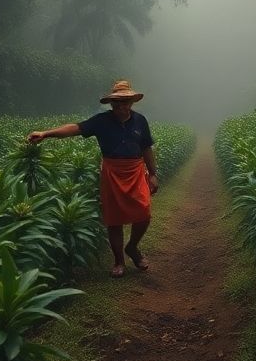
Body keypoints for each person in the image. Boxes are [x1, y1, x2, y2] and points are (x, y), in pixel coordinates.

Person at [27, 79, 159, 278]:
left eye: (125, 102)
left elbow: (146, 148)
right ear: (111, 103)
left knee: (144, 212)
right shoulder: (102, 121)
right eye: (117, 103)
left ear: (132, 102)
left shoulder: (140, 121)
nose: (121, 106)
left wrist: (153, 174)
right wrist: (46, 134)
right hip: (112, 171)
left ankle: (132, 247)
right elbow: (76, 128)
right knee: (114, 220)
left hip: (135, 170)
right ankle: (118, 262)